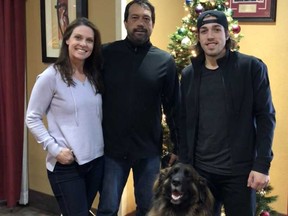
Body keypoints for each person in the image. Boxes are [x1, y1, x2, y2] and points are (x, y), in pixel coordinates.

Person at [179, 10, 276, 216]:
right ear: (198, 36)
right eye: (204, 31)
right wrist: (186, 165)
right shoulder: (189, 74)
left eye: (216, 29)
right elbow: (184, 121)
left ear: (227, 34)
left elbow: (266, 117)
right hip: (201, 174)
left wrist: (262, 165)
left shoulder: (251, 68)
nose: (210, 36)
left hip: (239, 174)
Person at [96, 0, 179, 215]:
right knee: (107, 208)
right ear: (125, 22)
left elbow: (173, 108)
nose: (140, 23)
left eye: (146, 18)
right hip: (112, 150)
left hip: (149, 151)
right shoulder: (105, 55)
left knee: (149, 208)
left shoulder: (165, 61)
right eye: (135, 18)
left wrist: (176, 147)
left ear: (153, 24)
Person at [26, 17, 104, 216]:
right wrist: (55, 149)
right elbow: (32, 117)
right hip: (67, 166)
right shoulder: (51, 76)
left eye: (89, 40)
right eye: (78, 37)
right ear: (67, 39)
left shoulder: (93, 76)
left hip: (95, 162)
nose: (83, 44)